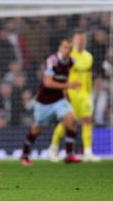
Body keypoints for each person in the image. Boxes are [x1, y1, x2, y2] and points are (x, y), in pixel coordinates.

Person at [20, 39, 82, 166]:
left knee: (72, 119)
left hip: (59, 100)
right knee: (37, 129)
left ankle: (69, 155)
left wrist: (66, 94)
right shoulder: (52, 60)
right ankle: (25, 155)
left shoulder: (71, 62)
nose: (66, 50)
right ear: (60, 47)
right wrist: (69, 85)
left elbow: (64, 79)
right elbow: (47, 83)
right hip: (44, 102)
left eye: (68, 48)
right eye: (64, 47)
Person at [48, 30, 101, 162]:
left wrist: (90, 94)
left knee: (87, 120)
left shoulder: (89, 57)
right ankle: (53, 147)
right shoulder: (68, 56)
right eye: (78, 39)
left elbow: (88, 77)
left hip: (84, 95)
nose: (80, 41)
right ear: (73, 41)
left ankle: (88, 151)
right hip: (69, 94)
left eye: (82, 39)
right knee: (67, 122)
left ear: (85, 41)